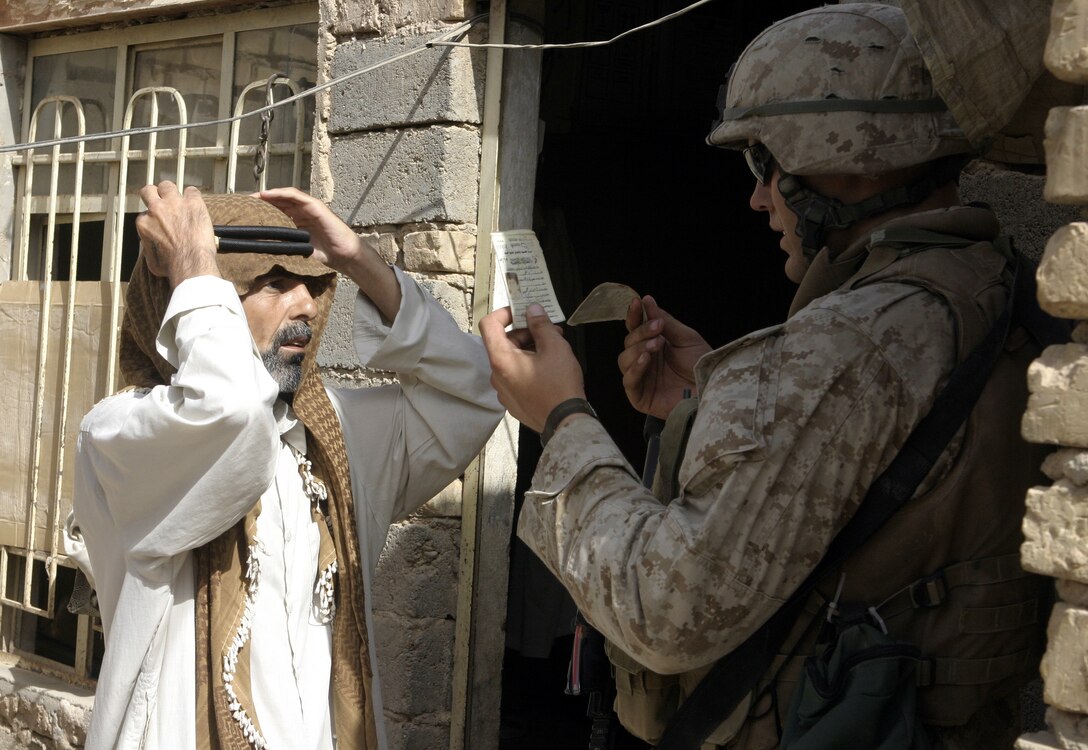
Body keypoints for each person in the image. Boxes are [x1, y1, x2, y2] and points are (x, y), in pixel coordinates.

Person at [480, 5, 1052, 749]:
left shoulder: (843, 347)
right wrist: (710, 399)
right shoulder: (992, 286)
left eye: (765, 165)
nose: (758, 197)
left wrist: (561, 417)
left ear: (837, 158)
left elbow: (664, 610)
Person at [63, 181, 504, 749]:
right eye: (271, 283)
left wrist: (360, 261)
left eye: (313, 283)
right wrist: (194, 264)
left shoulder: (335, 438)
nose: (306, 305)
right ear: (193, 304)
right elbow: (229, 413)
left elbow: (478, 392)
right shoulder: (121, 436)